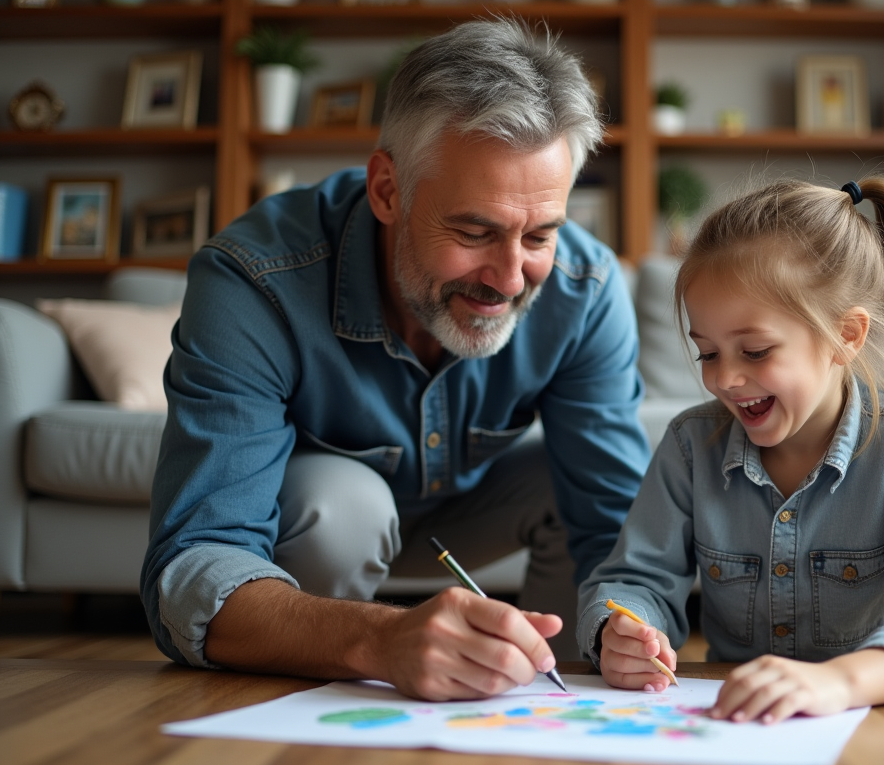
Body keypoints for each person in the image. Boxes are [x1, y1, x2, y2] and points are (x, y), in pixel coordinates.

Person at [140, 19, 651, 699]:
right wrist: (380, 639)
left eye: (540, 234)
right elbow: (191, 568)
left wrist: (627, 630)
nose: (507, 277)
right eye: (475, 231)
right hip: (324, 528)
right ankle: (298, 697)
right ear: (387, 190)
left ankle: (543, 689)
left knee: (587, 497)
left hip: (476, 508)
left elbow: (615, 526)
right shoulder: (255, 278)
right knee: (345, 504)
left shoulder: (585, 288)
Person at [578, 177, 884, 719]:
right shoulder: (690, 447)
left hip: (874, 723)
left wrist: (841, 682)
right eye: (707, 353)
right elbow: (635, 579)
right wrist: (624, 628)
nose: (725, 379)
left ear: (845, 336)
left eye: (754, 351)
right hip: (735, 723)